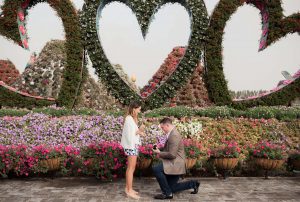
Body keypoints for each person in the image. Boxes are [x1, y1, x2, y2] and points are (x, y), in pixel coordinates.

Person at [152, 117, 200, 200]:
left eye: (162, 127)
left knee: (156, 169)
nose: (162, 129)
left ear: (167, 125)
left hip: (175, 164)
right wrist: (159, 149)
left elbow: (172, 154)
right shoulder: (172, 133)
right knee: (171, 187)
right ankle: (193, 184)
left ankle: (167, 194)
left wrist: (159, 153)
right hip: (174, 163)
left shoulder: (174, 135)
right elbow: (170, 149)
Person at [120, 101, 145, 200]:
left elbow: (133, 133)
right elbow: (130, 134)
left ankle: (128, 188)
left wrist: (139, 131)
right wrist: (140, 130)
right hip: (131, 147)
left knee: (131, 168)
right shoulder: (129, 119)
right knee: (131, 168)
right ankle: (129, 190)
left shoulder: (131, 119)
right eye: (139, 109)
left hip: (133, 146)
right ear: (134, 109)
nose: (140, 110)